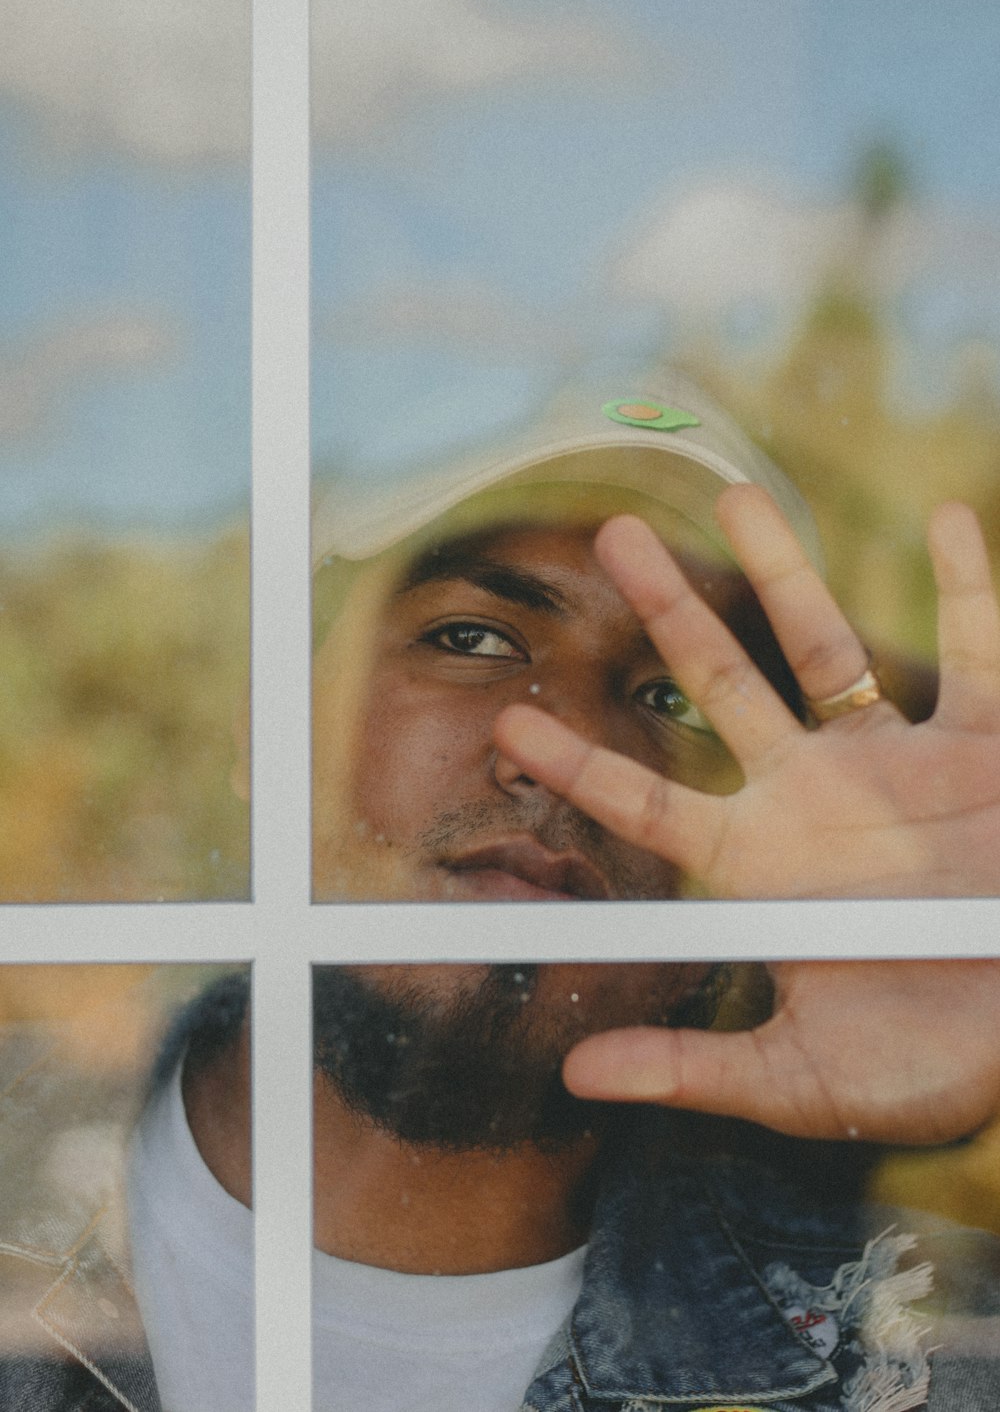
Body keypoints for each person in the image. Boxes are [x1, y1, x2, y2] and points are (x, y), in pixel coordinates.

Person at [3, 366, 999, 1408]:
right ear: (271, 723)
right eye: (471, 639)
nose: (557, 748)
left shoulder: (924, 1355)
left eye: (675, 699)